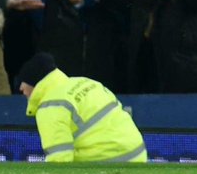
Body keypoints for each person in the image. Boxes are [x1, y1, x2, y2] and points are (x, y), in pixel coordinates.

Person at [16, 52, 148, 163]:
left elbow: (59, 161)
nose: (21, 88)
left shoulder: (50, 106)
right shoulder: (87, 82)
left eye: (24, 82)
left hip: (107, 163)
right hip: (138, 155)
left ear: (35, 82)